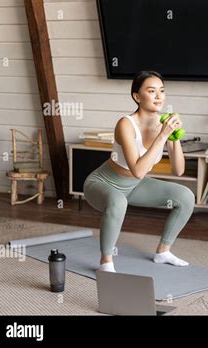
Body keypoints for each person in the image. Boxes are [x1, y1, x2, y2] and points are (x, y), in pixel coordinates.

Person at [83, 71, 195, 272]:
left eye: (161, 91)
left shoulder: (164, 124)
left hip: (135, 187)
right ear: (137, 96)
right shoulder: (126, 123)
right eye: (151, 91)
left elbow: (178, 170)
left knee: (185, 195)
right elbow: (137, 170)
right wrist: (163, 136)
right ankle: (106, 262)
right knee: (118, 201)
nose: (158, 96)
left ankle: (163, 251)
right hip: (102, 183)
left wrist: (174, 137)